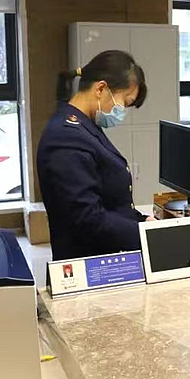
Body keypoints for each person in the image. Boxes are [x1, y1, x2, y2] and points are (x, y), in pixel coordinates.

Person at [37, 50, 154, 261]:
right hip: (90, 263)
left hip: (105, 255)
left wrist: (142, 220)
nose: (122, 111)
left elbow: (109, 201)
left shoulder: (84, 125)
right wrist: (145, 235)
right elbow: (87, 218)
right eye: (124, 102)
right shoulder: (66, 137)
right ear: (100, 89)